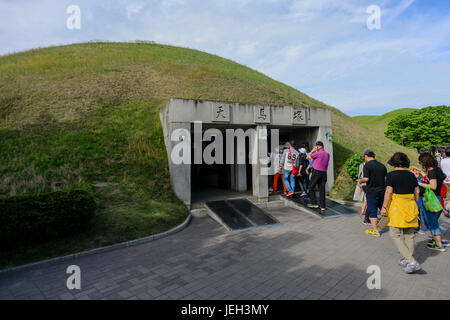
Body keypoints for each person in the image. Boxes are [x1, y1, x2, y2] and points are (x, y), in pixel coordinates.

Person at [380, 152, 421, 273]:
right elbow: (417, 192)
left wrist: (384, 207)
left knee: (394, 234)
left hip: (398, 206)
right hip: (411, 204)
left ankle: (411, 261)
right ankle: (408, 258)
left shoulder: (391, 175)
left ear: (394, 162)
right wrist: (416, 206)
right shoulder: (412, 175)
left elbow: (388, 192)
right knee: (409, 234)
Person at [418, 152, 448, 251]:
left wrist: (418, 182)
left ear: (425, 162)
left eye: (421, 162)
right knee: (431, 221)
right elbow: (434, 179)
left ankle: (439, 245)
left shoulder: (431, 172)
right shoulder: (436, 170)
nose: (421, 164)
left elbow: (433, 186)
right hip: (437, 197)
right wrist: (422, 174)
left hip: (431, 199)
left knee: (431, 222)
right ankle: (442, 240)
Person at [358, 150, 387, 237]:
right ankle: (388, 226)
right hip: (382, 192)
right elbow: (385, 179)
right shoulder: (382, 166)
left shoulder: (367, 165)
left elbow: (366, 179)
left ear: (366, 156)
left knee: (373, 211)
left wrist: (360, 180)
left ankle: (375, 231)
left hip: (372, 192)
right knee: (383, 209)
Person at [306, 141, 330, 211]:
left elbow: (307, 157)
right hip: (324, 173)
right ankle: (323, 206)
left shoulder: (317, 153)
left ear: (317, 146)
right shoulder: (327, 154)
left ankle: (314, 204)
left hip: (316, 172)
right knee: (322, 190)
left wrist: (312, 151)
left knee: (311, 187)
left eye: (316, 147)